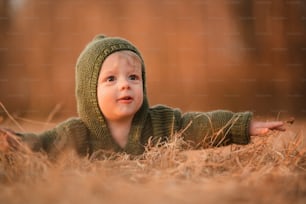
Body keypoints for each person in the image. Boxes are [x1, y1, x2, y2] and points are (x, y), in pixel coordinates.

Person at [0, 34, 286, 158]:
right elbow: (43, 145)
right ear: (89, 93)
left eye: (133, 77)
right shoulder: (78, 133)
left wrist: (243, 126)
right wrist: (13, 143)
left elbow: (200, 125)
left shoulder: (160, 123)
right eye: (111, 79)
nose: (125, 85)